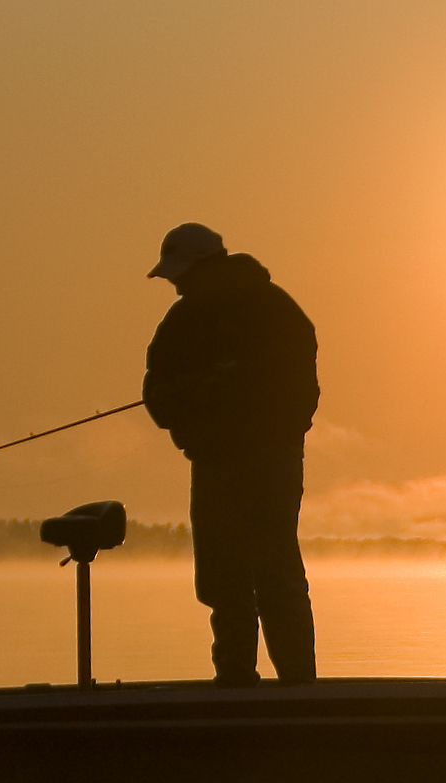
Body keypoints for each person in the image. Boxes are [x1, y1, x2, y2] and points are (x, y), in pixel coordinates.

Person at [142, 223, 319, 685]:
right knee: (226, 579)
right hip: (216, 461)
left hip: (267, 462)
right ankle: (238, 678)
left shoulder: (274, 312)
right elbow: (155, 389)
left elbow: (299, 390)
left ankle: (297, 685)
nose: (175, 284)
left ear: (207, 268)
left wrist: (243, 414)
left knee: (273, 572)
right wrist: (186, 402)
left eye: (180, 274)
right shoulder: (182, 321)